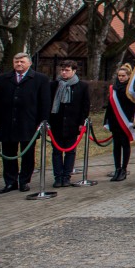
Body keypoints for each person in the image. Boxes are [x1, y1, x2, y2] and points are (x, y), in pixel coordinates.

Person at [0, 52, 51, 194]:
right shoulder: (2, 79)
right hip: (7, 123)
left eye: (22, 61)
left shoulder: (40, 79)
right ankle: (10, 182)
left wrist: (43, 122)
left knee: (27, 153)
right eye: (16, 62)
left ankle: (24, 181)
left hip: (29, 123)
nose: (19, 64)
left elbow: (45, 103)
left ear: (29, 63)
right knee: (8, 153)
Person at [48, 60, 90, 188]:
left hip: (72, 123)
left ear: (74, 71)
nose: (64, 72)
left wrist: (81, 122)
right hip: (56, 123)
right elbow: (48, 104)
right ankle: (58, 177)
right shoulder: (53, 85)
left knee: (70, 151)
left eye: (67, 70)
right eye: (62, 70)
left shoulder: (82, 86)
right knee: (56, 152)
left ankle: (66, 176)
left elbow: (85, 106)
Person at [103, 63, 135, 182]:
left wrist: (132, 120)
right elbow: (110, 106)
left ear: (128, 76)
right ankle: (117, 168)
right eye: (119, 76)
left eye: (123, 76)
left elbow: (134, 106)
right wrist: (106, 121)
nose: (121, 78)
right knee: (116, 146)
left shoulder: (131, 89)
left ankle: (124, 169)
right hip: (114, 120)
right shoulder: (114, 88)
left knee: (125, 145)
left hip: (125, 121)